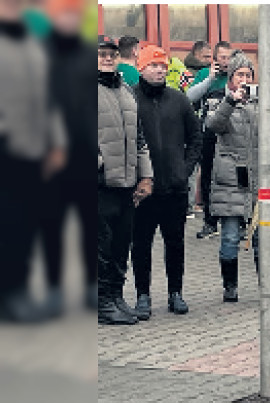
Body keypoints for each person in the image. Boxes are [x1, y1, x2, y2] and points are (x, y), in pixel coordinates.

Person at [1, 6, 65, 322]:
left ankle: (17, 292)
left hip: (33, 152)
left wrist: (56, 143)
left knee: (24, 225)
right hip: (6, 149)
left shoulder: (32, 45)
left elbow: (48, 99)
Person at [131, 45, 201, 318]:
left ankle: (176, 293)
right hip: (143, 187)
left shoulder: (179, 100)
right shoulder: (131, 99)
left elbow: (196, 138)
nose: (160, 70)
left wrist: (184, 170)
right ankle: (143, 295)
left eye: (163, 66)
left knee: (175, 243)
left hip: (174, 186)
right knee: (141, 244)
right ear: (142, 68)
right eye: (154, 65)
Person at [41, 1, 96, 317]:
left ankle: (90, 285)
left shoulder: (88, 56)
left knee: (89, 225)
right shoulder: (41, 55)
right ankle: (53, 289)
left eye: (74, 15)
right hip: (50, 157)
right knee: (51, 224)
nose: (69, 20)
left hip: (85, 155)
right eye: (63, 14)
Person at [98, 35, 152, 325]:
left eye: (112, 54)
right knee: (100, 248)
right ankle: (101, 302)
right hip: (100, 185)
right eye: (102, 54)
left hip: (127, 184)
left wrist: (146, 175)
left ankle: (116, 297)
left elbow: (140, 139)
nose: (107, 58)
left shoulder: (126, 92)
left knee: (121, 245)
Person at [206, 52, 258, 303]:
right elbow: (213, 125)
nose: (244, 80)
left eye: (248, 75)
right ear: (231, 77)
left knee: (262, 236)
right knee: (229, 237)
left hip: (258, 180)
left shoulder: (261, 104)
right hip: (230, 181)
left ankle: (265, 284)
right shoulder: (220, 101)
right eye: (240, 75)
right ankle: (230, 285)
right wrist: (231, 101)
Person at [188, 40, 233, 239]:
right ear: (215, 59)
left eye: (228, 57)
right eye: (222, 57)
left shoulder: (236, 74)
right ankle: (209, 222)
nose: (226, 61)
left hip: (232, 135)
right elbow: (189, 96)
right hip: (208, 133)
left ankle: (235, 222)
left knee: (232, 177)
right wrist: (209, 79)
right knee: (207, 176)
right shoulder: (205, 74)